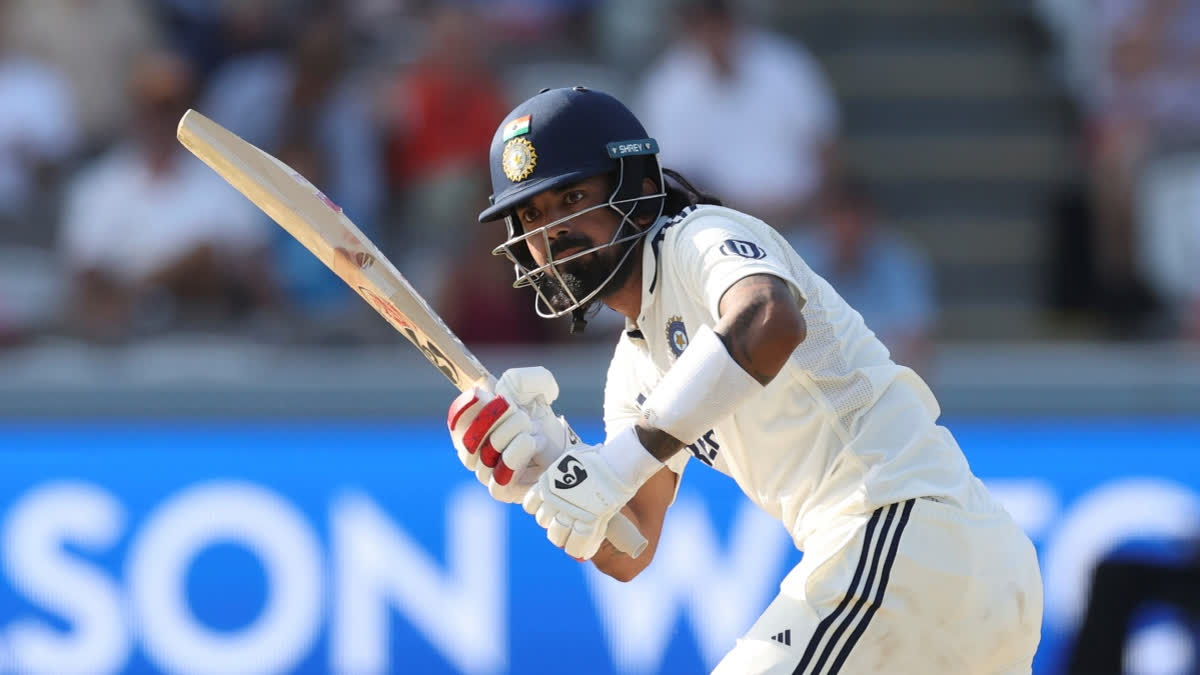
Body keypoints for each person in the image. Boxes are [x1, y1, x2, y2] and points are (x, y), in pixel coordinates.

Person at [446, 87, 1043, 673]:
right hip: (952, 570)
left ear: (640, 187)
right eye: (531, 216)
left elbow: (768, 320)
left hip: (904, 530)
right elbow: (632, 546)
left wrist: (617, 462)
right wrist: (547, 469)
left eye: (570, 198)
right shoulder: (632, 369)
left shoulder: (698, 238)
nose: (552, 234)